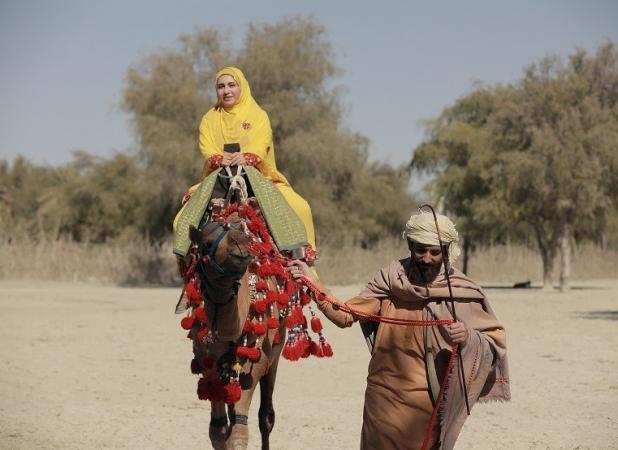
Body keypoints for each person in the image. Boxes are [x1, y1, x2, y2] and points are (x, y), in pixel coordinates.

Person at [288, 211, 510, 449]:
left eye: (435, 252)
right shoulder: (390, 281)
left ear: (447, 251)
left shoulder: (462, 290)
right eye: (420, 250)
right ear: (409, 245)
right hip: (383, 399)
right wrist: (311, 281)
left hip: (428, 403)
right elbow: (344, 315)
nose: (426, 258)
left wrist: (468, 337)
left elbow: (494, 340)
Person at [197, 66, 317, 254]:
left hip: (260, 178)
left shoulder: (258, 115)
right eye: (221, 87)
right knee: (182, 217)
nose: (226, 91)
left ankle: (304, 265)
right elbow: (206, 147)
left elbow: (262, 143)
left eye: (231, 85)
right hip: (218, 179)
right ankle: (190, 271)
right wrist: (220, 158)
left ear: (242, 87)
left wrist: (246, 156)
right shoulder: (208, 119)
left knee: (301, 207)